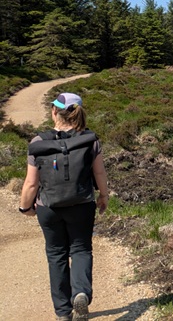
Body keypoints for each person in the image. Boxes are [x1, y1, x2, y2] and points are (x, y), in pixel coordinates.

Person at [18, 92, 110, 321]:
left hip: (49, 208)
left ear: (53, 111)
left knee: (56, 254)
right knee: (80, 249)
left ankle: (62, 313)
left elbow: (31, 183)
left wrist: (25, 208)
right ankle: (80, 292)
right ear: (78, 112)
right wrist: (104, 196)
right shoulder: (90, 139)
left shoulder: (38, 143)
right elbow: (99, 172)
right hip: (81, 204)